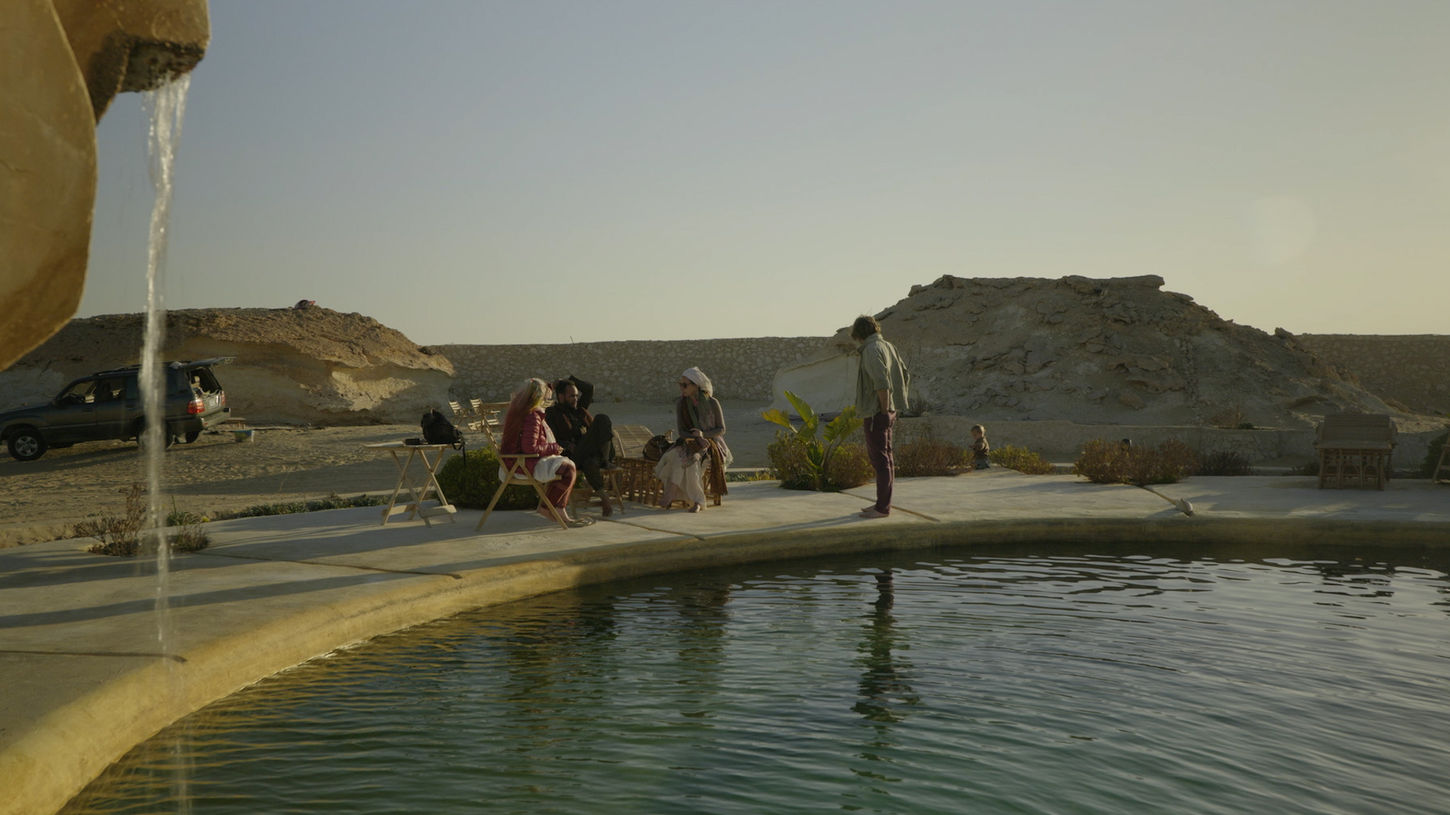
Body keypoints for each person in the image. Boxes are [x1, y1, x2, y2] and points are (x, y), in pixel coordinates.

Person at [499, 378, 591, 527]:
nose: (548, 398)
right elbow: (530, 448)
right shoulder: (532, 416)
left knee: (564, 465)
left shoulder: (520, 410)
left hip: (515, 461)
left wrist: (551, 385)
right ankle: (548, 508)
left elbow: (538, 388)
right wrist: (554, 448)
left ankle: (558, 510)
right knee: (568, 468)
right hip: (522, 464)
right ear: (539, 398)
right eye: (545, 395)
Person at [852, 315, 910, 518]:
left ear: (858, 334)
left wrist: (883, 411)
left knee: (881, 460)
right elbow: (904, 374)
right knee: (886, 458)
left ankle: (882, 508)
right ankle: (882, 503)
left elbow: (882, 383)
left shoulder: (871, 349)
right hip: (888, 409)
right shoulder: (888, 346)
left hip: (877, 412)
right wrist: (894, 405)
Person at [656, 367, 730, 512]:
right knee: (676, 458)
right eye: (680, 384)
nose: (681, 388)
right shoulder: (681, 404)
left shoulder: (713, 403)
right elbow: (681, 431)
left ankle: (695, 501)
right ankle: (682, 495)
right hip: (688, 442)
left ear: (696, 385)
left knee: (692, 461)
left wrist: (702, 435)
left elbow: (721, 429)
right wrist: (693, 438)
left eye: (685, 385)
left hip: (711, 443)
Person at [544, 375, 615, 517]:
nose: (575, 399)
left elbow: (589, 388)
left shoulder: (580, 409)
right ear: (561, 396)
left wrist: (568, 380)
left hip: (591, 454)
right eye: (571, 396)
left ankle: (605, 463)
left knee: (601, 420)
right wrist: (567, 445)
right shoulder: (552, 413)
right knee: (600, 420)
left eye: (576, 395)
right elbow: (552, 439)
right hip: (574, 454)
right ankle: (605, 467)